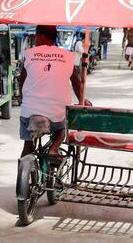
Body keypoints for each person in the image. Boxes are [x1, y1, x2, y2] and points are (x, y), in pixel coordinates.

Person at [19, 25, 89, 157]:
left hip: (29, 111)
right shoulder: (67, 56)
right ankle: (54, 148)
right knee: (62, 127)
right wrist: (82, 100)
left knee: (27, 146)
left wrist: (24, 99)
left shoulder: (29, 54)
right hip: (55, 113)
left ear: (40, 36)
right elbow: (76, 82)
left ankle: (22, 170)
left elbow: (22, 80)